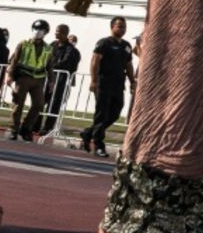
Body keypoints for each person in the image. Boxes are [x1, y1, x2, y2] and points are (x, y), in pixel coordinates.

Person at [80, 16, 136, 157]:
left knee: (115, 113)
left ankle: (88, 133)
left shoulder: (126, 46)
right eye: (119, 26)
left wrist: (132, 81)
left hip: (118, 84)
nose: (122, 29)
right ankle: (98, 145)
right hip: (103, 83)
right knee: (101, 114)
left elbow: (128, 65)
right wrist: (93, 81)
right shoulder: (104, 43)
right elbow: (95, 61)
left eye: (124, 26)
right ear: (112, 27)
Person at [7, 19, 53, 141]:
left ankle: (26, 128)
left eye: (41, 30)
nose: (37, 32)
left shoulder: (48, 48)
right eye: (35, 29)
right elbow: (14, 60)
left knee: (39, 104)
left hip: (38, 80)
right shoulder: (24, 43)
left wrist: (51, 81)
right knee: (18, 104)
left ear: (46, 32)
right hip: (23, 78)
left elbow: (49, 66)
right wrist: (10, 76)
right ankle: (14, 129)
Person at [41, 23, 82, 134]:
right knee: (40, 102)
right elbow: (44, 57)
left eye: (58, 31)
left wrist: (51, 67)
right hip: (47, 79)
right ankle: (34, 125)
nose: (56, 33)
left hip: (60, 81)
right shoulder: (52, 45)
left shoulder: (71, 50)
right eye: (56, 30)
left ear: (64, 33)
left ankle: (47, 128)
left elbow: (67, 63)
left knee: (54, 104)